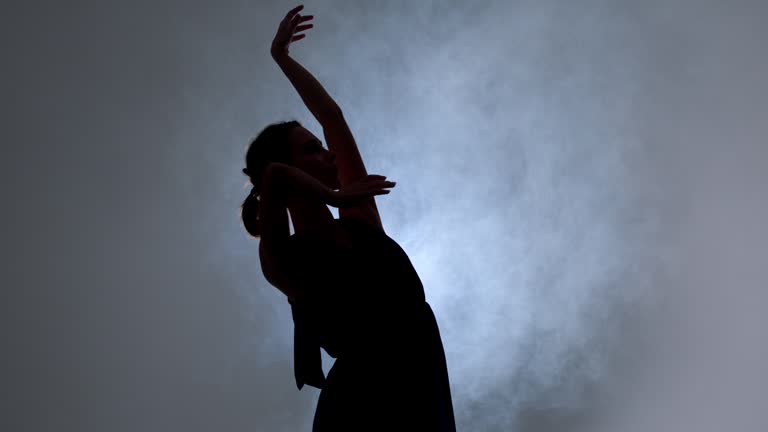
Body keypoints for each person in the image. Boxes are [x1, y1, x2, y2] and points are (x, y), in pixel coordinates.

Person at [240, 5, 456, 431]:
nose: (329, 152)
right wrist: (334, 195)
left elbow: (332, 117)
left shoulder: (358, 219)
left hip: (420, 381)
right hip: (358, 402)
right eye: (311, 150)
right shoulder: (285, 258)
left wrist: (282, 59)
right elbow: (275, 175)